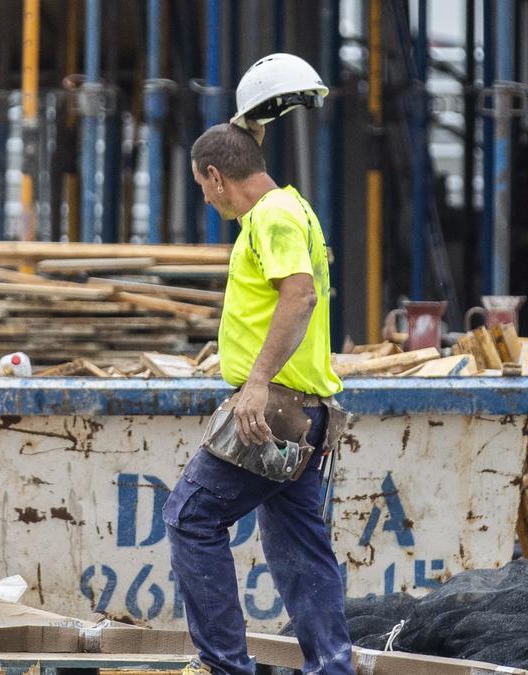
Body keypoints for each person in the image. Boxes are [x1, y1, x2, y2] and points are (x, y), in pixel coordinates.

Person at [163, 121, 355, 675]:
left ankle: (224, 666)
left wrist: (255, 382)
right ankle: (332, 667)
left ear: (217, 176)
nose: (204, 195)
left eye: (203, 183)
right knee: (300, 547)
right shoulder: (292, 209)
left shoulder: (270, 216)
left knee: (190, 519)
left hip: (274, 411)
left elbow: (299, 296)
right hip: (304, 413)